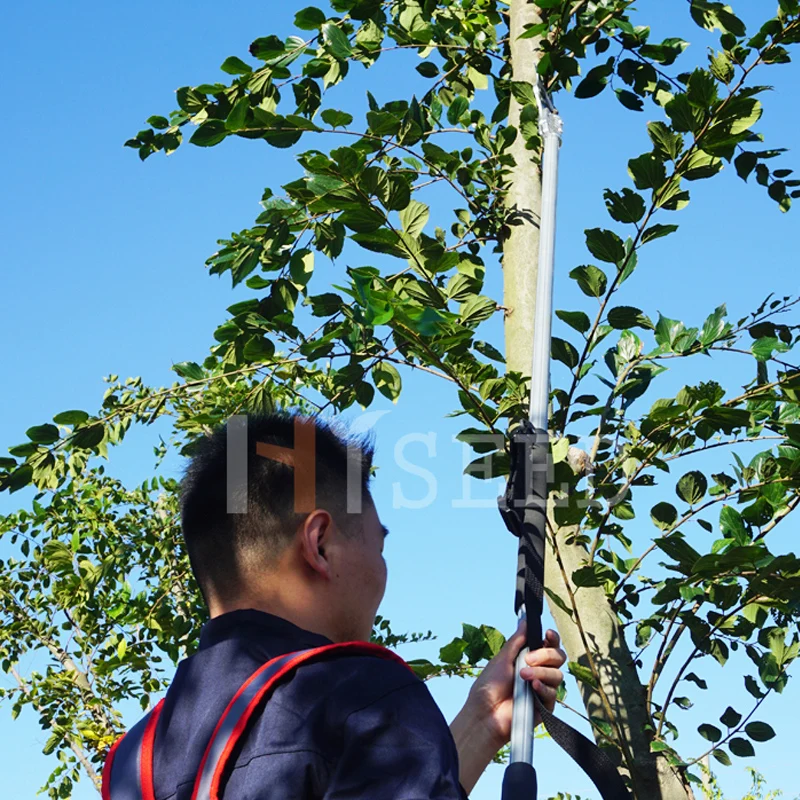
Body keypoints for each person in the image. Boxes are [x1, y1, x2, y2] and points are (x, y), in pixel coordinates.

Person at [109, 412, 566, 799]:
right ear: (320, 544)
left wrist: (481, 722)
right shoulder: (364, 698)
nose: (383, 568)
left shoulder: (135, 759)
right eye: (378, 544)